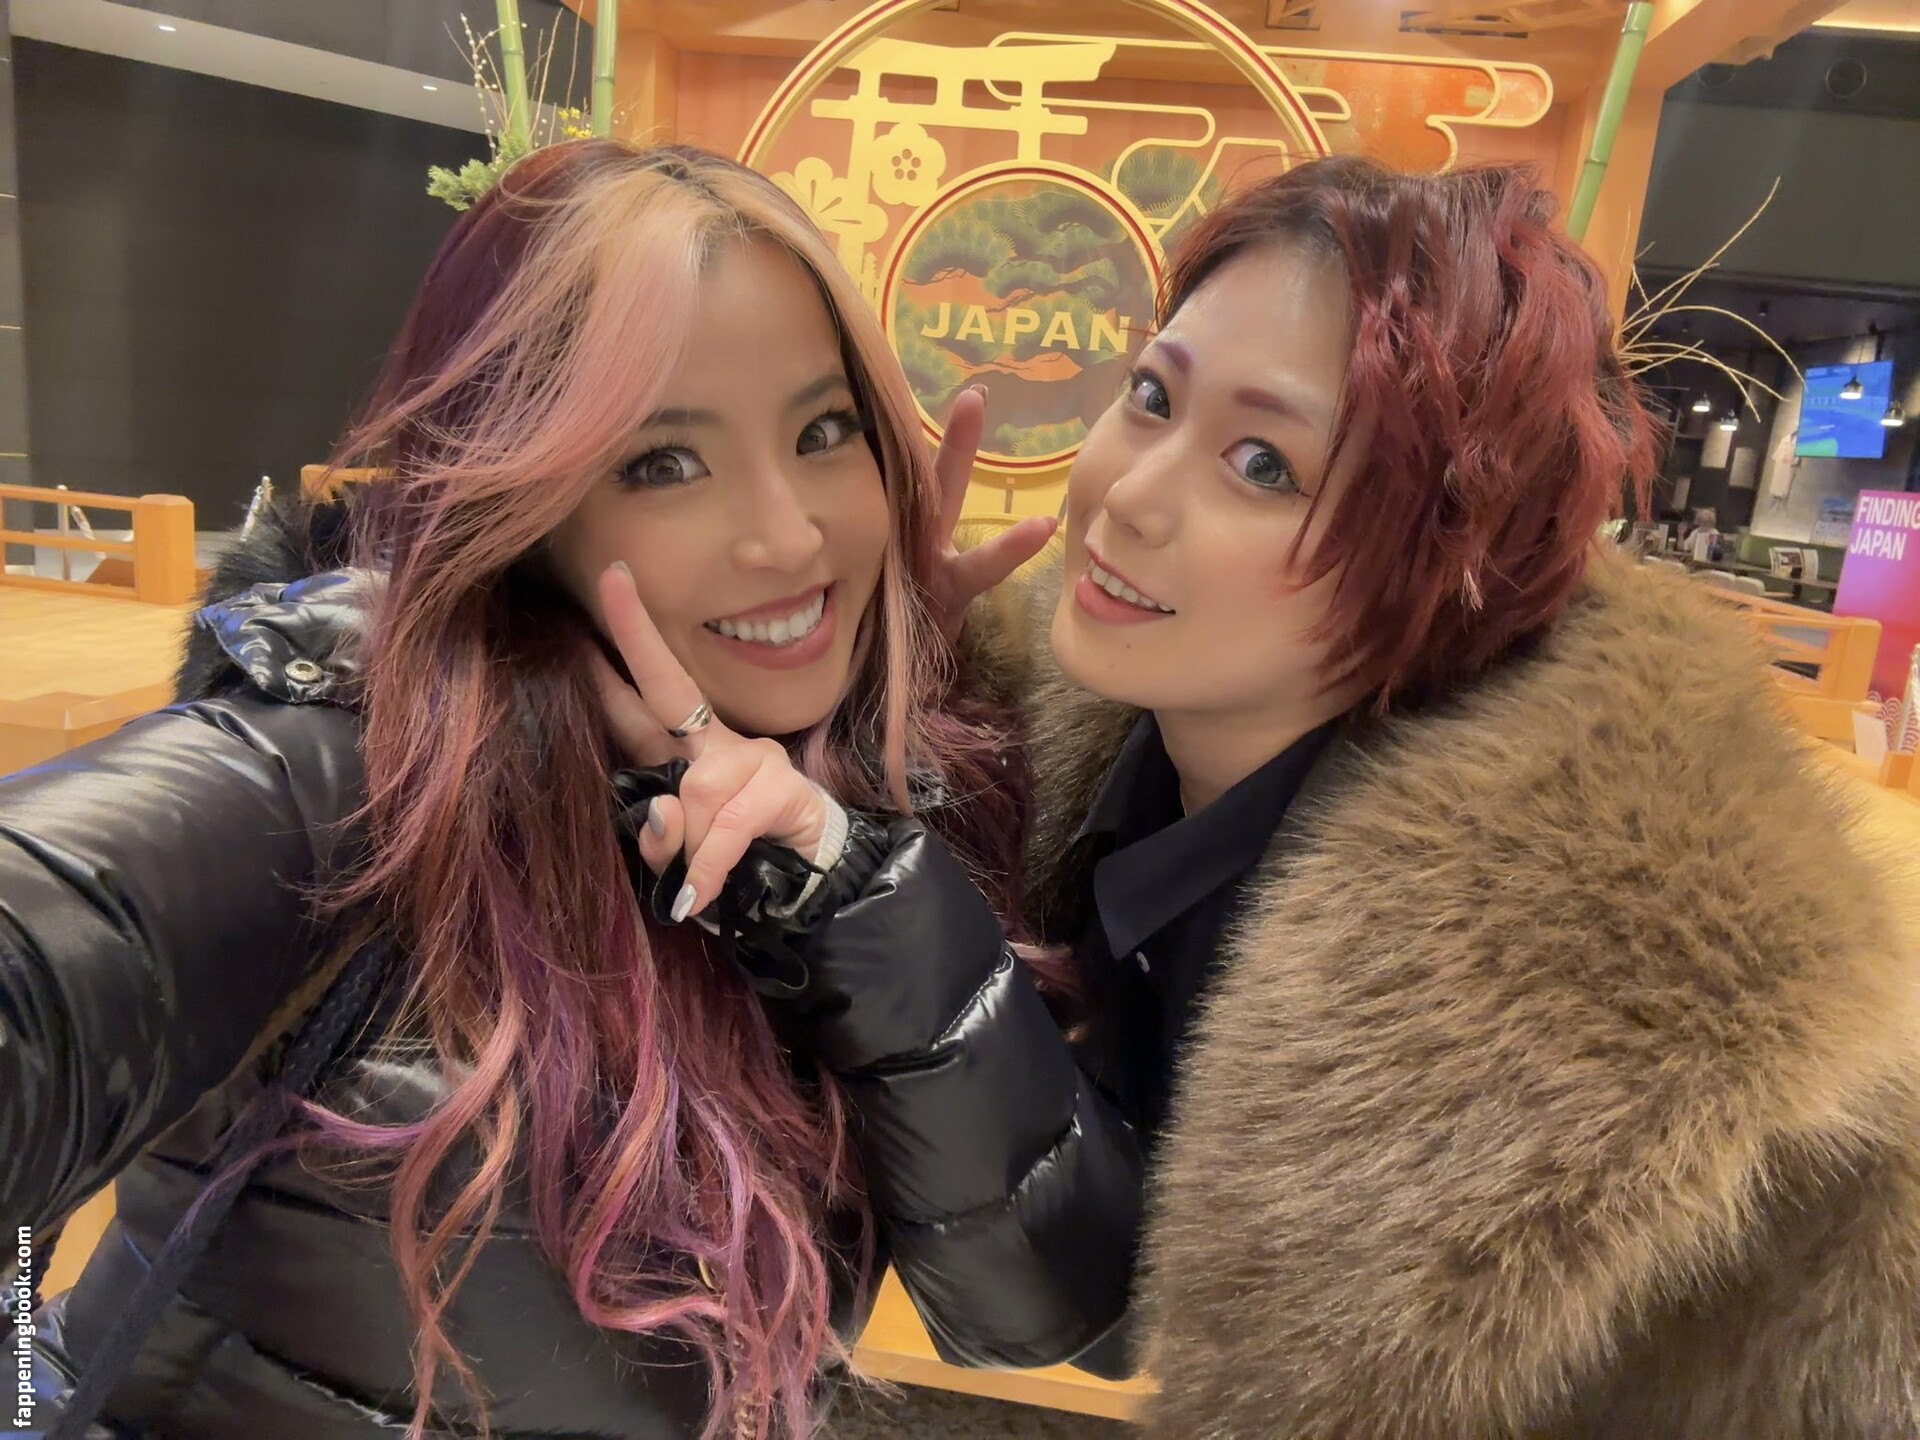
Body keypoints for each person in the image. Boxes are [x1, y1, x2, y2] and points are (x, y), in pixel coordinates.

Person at [0, 140, 1136, 1440]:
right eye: (663, 463)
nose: (788, 535)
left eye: (824, 434)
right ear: (520, 498)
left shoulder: (853, 796)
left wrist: (853, 879)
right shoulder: (350, 780)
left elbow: (1046, 1312)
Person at [972, 156, 1920, 1436]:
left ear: (1447, 559)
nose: (1129, 496)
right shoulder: (1094, 747)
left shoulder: (1623, 1072)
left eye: (1263, 464)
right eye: (1153, 396)